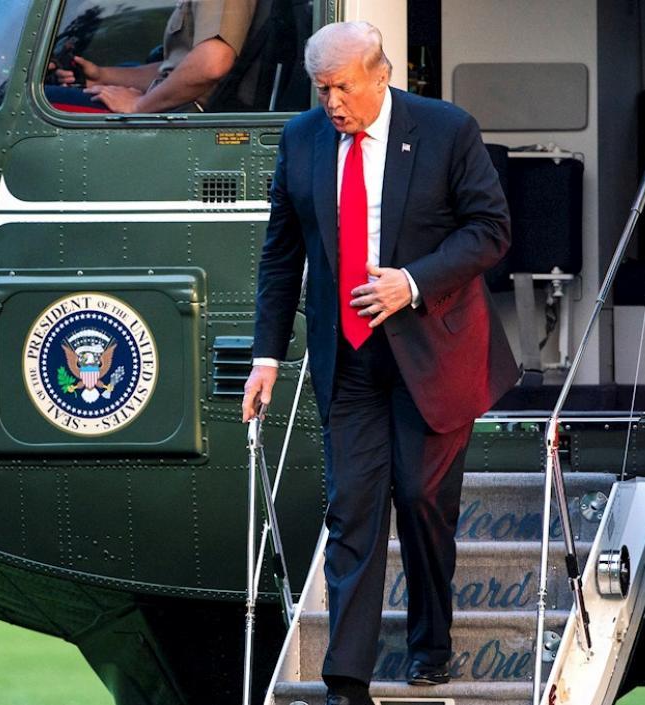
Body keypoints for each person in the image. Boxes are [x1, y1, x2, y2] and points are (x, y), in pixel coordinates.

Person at [242, 21, 517, 705]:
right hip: (349, 357)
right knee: (353, 509)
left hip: (434, 350)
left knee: (422, 499)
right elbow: (282, 254)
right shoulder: (301, 139)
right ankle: (348, 679)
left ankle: (431, 640)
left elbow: (490, 230)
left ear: (380, 72)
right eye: (322, 88)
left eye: (342, 86)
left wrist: (413, 282)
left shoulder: (446, 129)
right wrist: (267, 356)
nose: (331, 101)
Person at [51, 0, 256, 113]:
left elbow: (212, 64)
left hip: (183, 117)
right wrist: (100, 75)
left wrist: (139, 106)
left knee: (46, 100)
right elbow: (177, 71)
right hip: (175, 110)